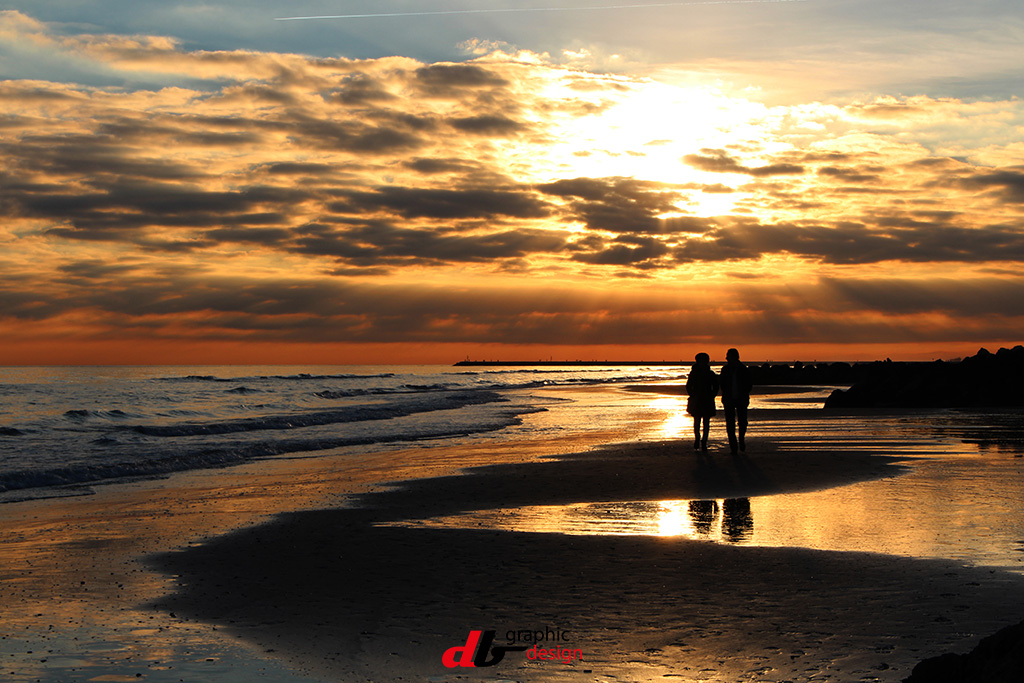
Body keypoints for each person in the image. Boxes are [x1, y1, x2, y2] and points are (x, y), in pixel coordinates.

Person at [719, 347, 752, 454]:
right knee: (730, 423)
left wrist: (745, 394)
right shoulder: (725, 369)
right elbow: (722, 384)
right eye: (728, 357)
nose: (728, 359)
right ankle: (733, 445)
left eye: (730, 356)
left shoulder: (743, 369)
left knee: (742, 421)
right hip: (729, 399)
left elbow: (748, 384)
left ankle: (741, 439)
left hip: (741, 398)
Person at [685, 352, 719, 451]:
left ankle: (704, 441)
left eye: (704, 361)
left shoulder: (710, 373)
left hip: (707, 399)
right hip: (697, 399)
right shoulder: (694, 373)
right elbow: (688, 386)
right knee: (697, 422)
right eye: (701, 361)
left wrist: (712, 395)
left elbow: (715, 386)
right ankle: (697, 439)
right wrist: (692, 395)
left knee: (706, 422)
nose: (703, 363)